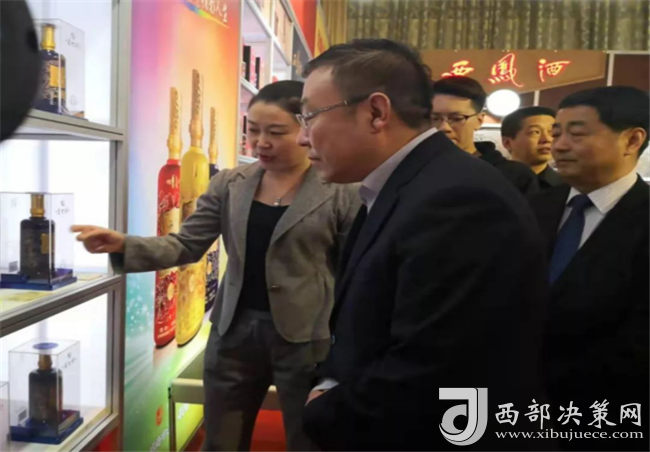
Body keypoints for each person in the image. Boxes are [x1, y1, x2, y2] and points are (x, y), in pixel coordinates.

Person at [72, 81, 360, 451]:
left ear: (306, 129)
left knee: (309, 438)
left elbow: (354, 272)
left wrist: (348, 343)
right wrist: (124, 245)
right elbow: (186, 244)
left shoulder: (340, 190)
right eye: (253, 130)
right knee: (221, 441)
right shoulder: (230, 183)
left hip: (307, 336)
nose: (260, 143)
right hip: (233, 332)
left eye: (276, 132)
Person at [297, 39, 548, 451]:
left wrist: (325, 410)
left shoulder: (458, 200)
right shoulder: (407, 185)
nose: (302, 138)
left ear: (376, 113)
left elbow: (435, 366)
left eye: (309, 116)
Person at [529, 86, 649, 451]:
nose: (559, 146)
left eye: (577, 134)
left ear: (632, 140)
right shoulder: (531, 208)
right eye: (557, 134)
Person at [431, 76, 539, 195]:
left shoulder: (513, 176)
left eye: (457, 118)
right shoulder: (419, 170)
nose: (443, 127)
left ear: (479, 120)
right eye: (435, 118)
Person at [502, 106, 563, 190]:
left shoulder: (567, 187)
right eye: (535, 132)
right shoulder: (492, 181)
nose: (547, 139)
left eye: (551, 132)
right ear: (507, 143)